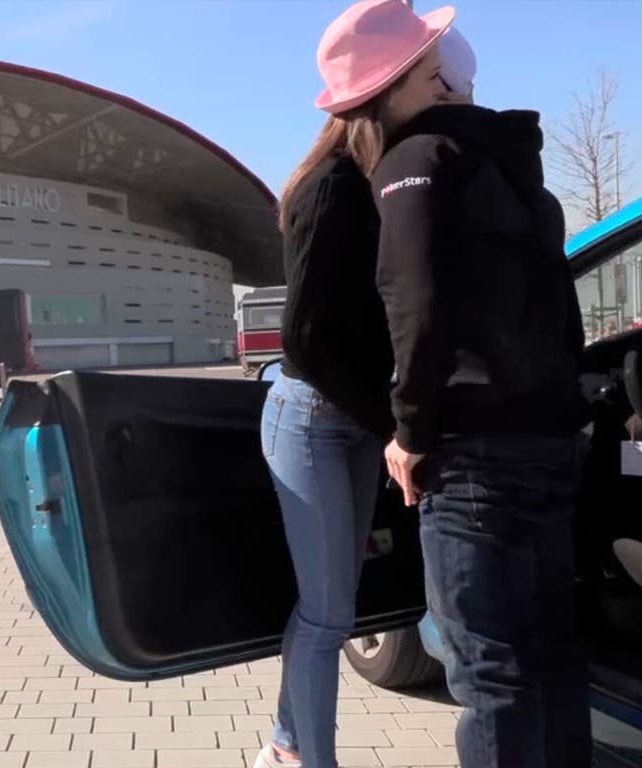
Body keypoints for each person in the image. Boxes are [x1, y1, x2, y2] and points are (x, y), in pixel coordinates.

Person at [358, 7, 593, 768]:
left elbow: (416, 304)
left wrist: (410, 429)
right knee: (551, 653)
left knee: (490, 667)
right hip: (545, 438)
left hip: (473, 456)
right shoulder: (521, 174)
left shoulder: (414, 160)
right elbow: (563, 312)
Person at [254, 3, 456, 765]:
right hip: (311, 419)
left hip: (356, 418)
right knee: (331, 612)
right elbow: (304, 337)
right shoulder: (334, 187)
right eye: (429, 76)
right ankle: (309, 756)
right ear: (388, 87)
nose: (441, 89)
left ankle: (283, 742)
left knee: (334, 605)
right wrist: (394, 423)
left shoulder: (384, 176)